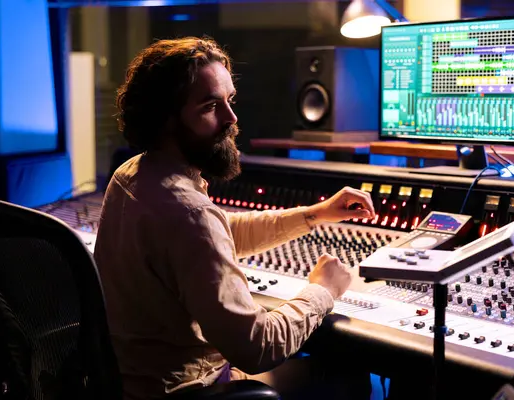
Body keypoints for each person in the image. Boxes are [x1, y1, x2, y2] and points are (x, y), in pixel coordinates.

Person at [94, 37, 375, 400]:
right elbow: (256, 348)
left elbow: (218, 234)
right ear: (165, 118)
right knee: (344, 374)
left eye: (230, 100)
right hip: (187, 391)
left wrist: (313, 215)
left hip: (130, 384)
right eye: (211, 106)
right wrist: (323, 290)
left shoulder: (133, 173)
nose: (231, 118)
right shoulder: (189, 213)